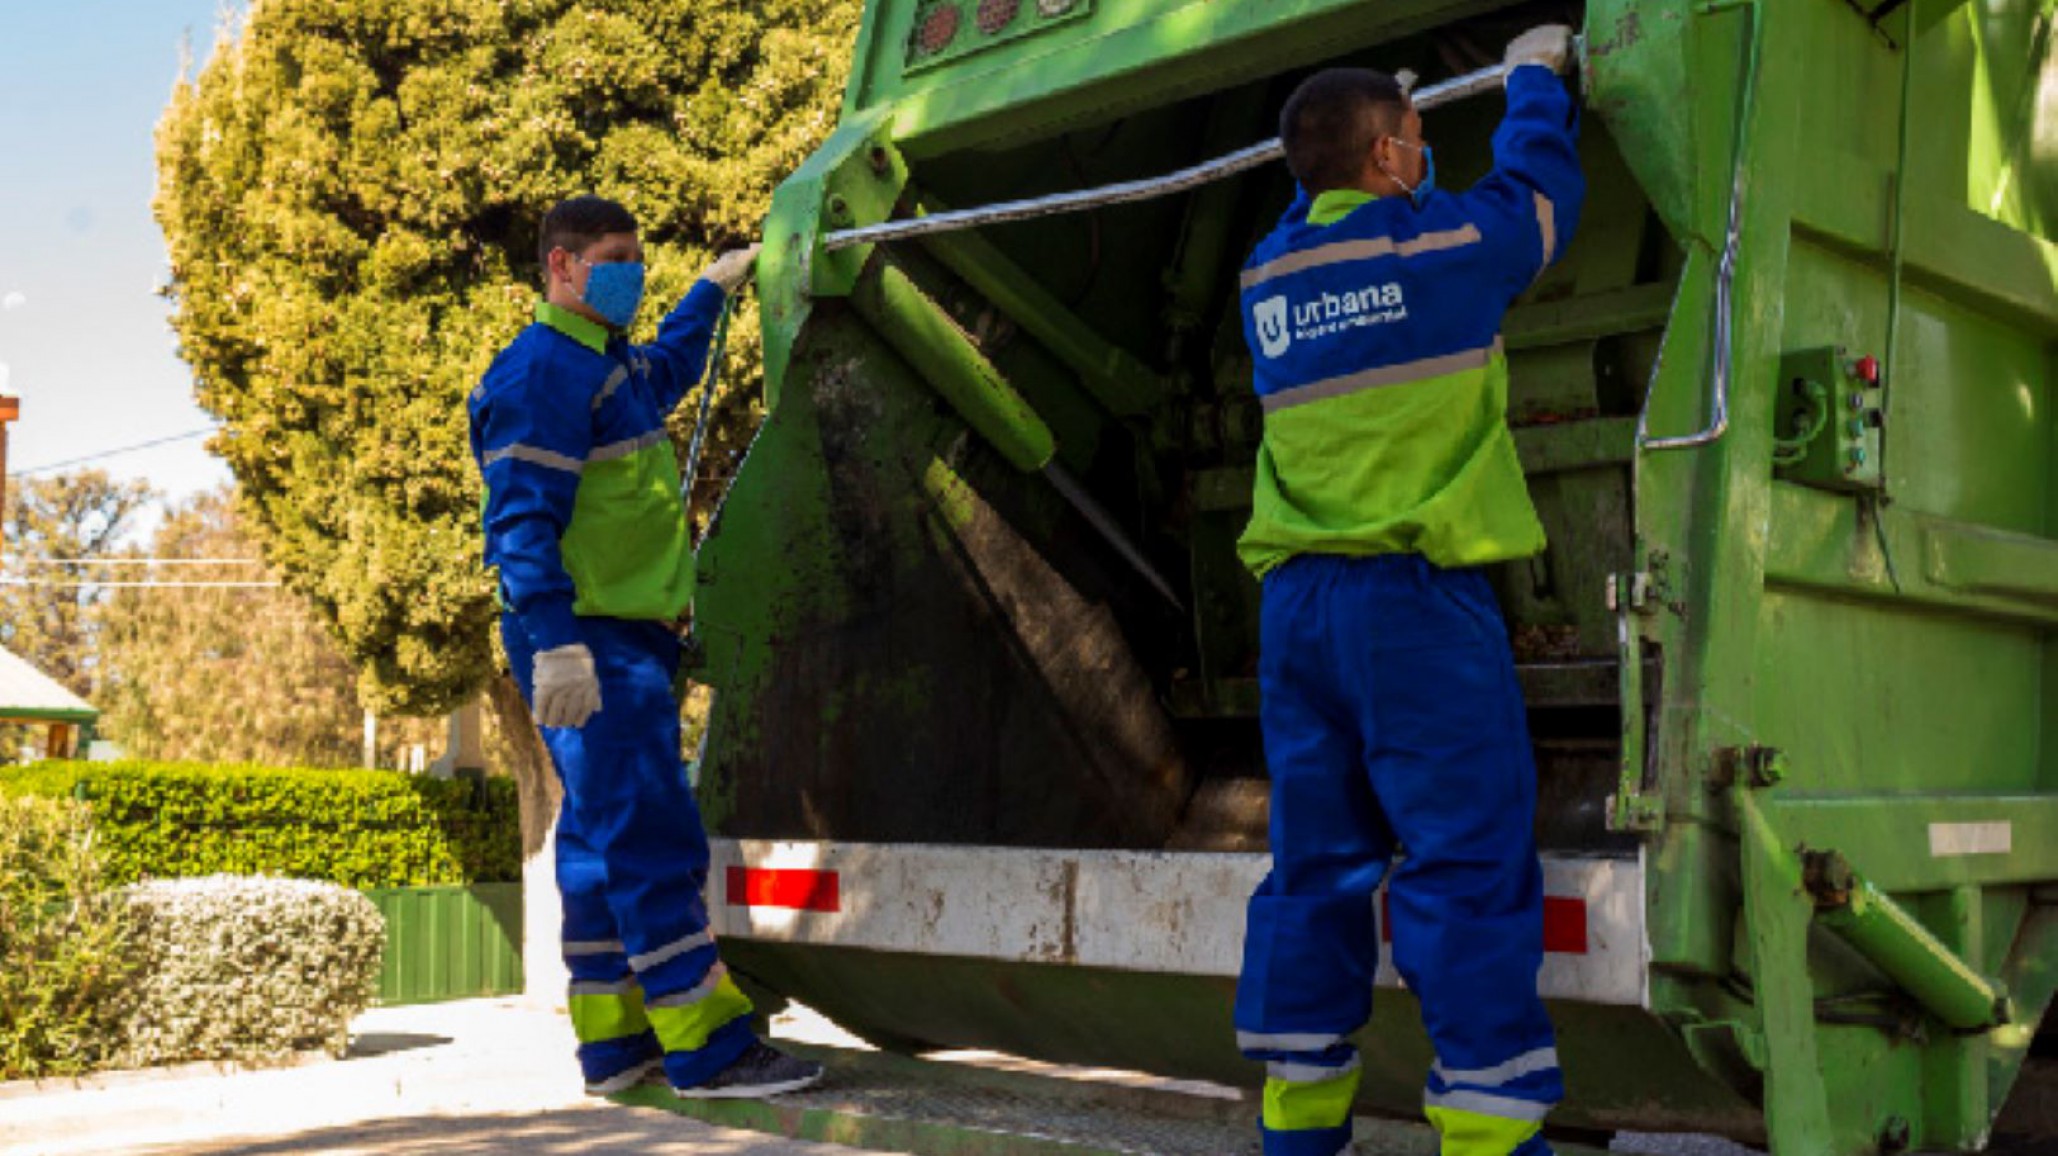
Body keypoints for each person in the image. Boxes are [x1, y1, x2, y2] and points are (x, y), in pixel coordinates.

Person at [1231, 26, 1586, 1156]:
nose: (1428, 156)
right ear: (1389, 160)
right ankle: (1487, 1134)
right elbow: (1537, 199)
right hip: (1414, 613)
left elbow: (1315, 209)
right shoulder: (1441, 248)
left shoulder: (1267, 275)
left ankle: (1298, 1124)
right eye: (1420, 140)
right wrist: (1535, 80)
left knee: (1315, 866)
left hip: (1295, 619)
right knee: (1464, 860)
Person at [468, 195, 821, 1099]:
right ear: (561, 267)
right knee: (654, 831)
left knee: (594, 838)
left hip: (613, 639)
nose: (631, 271)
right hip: (590, 642)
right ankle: (709, 1044)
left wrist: (708, 292)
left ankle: (616, 1040)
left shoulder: (602, 365)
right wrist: (555, 646)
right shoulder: (541, 371)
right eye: (614, 258)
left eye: (638, 257)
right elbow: (519, 526)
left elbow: (665, 371)